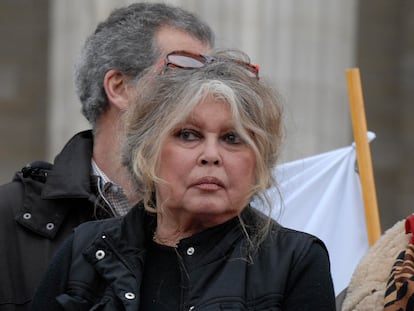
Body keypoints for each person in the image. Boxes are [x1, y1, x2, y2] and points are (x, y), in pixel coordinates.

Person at [31, 50, 336, 310]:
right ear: (148, 151)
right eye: (188, 135)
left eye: (232, 138)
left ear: (258, 163)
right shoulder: (85, 249)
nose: (211, 155)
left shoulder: (296, 261)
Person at [0, 3, 214, 310]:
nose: (206, 96)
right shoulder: (9, 220)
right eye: (183, 72)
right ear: (119, 87)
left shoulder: (234, 224)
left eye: (212, 78)